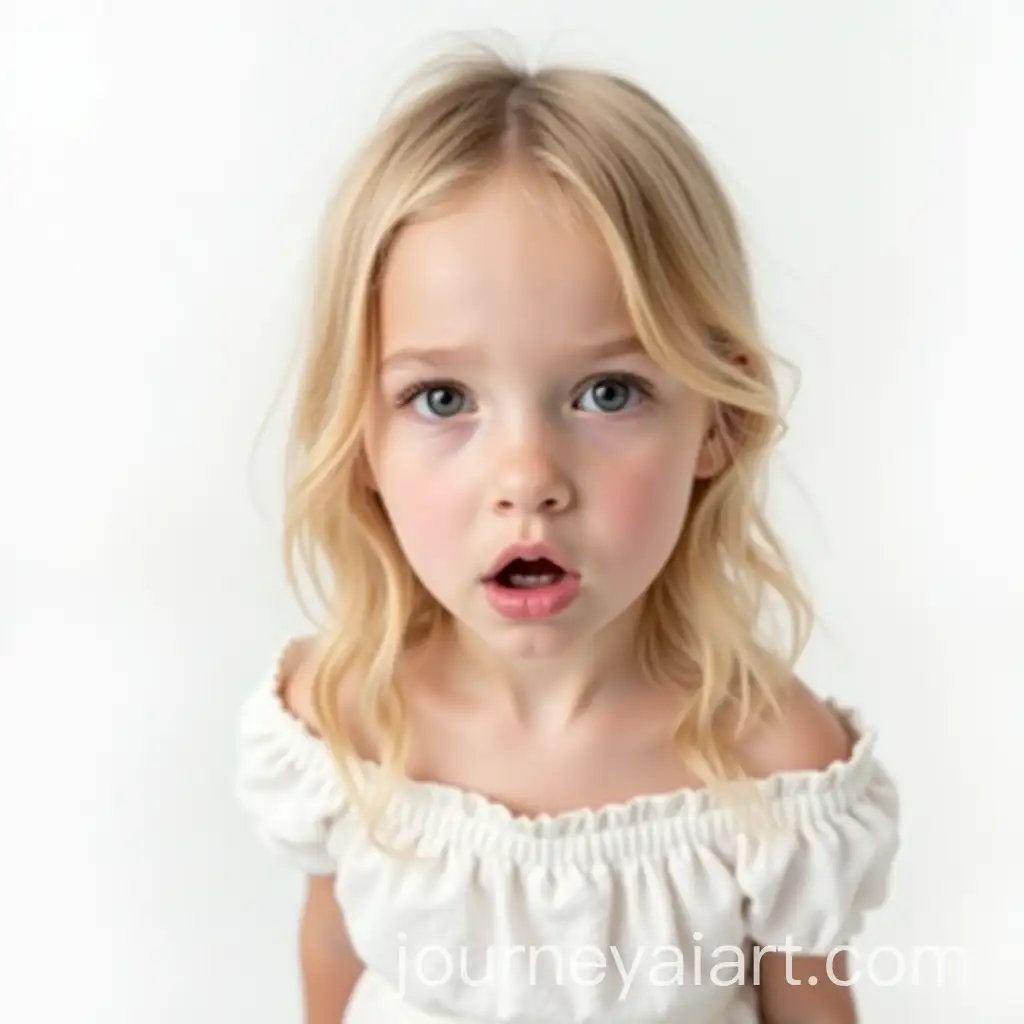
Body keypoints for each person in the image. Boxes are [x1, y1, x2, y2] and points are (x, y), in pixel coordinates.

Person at [235, 44, 900, 1024]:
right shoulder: (346, 716)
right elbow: (332, 950)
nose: (527, 480)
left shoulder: (768, 764)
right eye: (442, 396)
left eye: (606, 392)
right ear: (360, 439)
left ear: (719, 420)